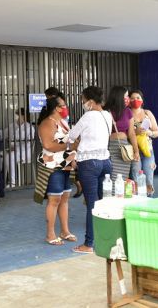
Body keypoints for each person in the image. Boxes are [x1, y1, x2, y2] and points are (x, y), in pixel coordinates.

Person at [67, 86, 113, 254]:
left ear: (91, 102)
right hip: (106, 162)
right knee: (103, 203)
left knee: (92, 205)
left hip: (89, 163)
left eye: (83, 100)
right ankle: (105, 239)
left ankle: (89, 244)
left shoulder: (87, 116)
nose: (82, 103)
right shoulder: (108, 115)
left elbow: (71, 135)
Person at [35, 96, 76, 245]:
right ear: (56, 108)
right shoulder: (47, 123)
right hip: (53, 167)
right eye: (63, 105)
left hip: (66, 166)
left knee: (64, 199)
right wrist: (70, 147)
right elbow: (48, 145)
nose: (65, 108)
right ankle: (50, 234)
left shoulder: (63, 123)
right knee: (54, 200)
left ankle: (65, 231)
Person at [129, 89, 158, 197]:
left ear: (142, 100)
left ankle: (149, 200)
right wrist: (134, 132)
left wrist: (149, 132)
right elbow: (124, 132)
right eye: (132, 98)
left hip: (148, 151)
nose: (135, 100)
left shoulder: (147, 113)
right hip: (133, 151)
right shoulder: (127, 114)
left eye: (138, 98)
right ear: (128, 100)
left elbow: (157, 132)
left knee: (149, 178)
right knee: (136, 178)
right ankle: (137, 202)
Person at [105, 86, 138, 180]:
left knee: (122, 179)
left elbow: (131, 133)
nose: (128, 98)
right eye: (126, 96)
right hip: (108, 148)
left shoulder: (128, 111)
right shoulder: (106, 111)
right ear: (119, 96)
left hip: (124, 150)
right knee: (110, 177)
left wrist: (136, 151)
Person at [6, 108, 34, 187]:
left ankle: (13, 182)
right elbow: (4, 133)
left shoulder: (29, 128)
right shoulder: (12, 125)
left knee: (9, 157)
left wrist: (16, 148)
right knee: (1, 156)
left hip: (24, 152)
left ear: (23, 116)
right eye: (16, 114)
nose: (16, 116)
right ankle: (2, 180)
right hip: (12, 150)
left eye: (18, 114)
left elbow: (30, 142)